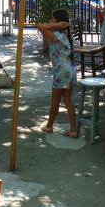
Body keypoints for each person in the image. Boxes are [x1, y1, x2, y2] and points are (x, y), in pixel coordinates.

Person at [37, 9, 79, 138]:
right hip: (69, 69)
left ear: (58, 21)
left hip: (61, 71)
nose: (50, 20)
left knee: (55, 101)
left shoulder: (56, 34)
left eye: (52, 18)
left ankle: (49, 126)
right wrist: (56, 26)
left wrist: (57, 25)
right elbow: (45, 47)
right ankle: (73, 130)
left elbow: (40, 26)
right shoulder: (64, 34)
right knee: (68, 101)